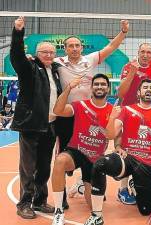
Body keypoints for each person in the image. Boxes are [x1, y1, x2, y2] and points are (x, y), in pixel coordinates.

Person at [84, 79, 151, 225]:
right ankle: (96, 215)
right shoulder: (126, 110)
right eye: (145, 88)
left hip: (148, 163)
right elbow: (111, 135)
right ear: (139, 93)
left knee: (145, 210)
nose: (148, 90)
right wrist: (112, 116)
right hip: (128, 157)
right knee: (100, 164)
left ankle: (134, 183)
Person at [54, 19, 129, 208]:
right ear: (65, 49)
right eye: (70, 46)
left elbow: (111, 47)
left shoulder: (90, 59)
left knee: (92, 149)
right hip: (67, 114)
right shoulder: (57, 61)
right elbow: (42, 60)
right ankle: (60, 200)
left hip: (87, 115)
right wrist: (32, 58)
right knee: (61, 159)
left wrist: (123, 32)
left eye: (77, 45)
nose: (74, 48)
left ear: (81, 47)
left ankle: (89, 180)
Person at [10, 16, 62, 219]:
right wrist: (18, 31)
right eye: (44, 52)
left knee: (44, 168)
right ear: (36, 54)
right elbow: (16, 56)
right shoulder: (29, 68)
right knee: (28, 168)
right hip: (31, 126)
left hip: (49, 125)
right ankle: (24, 203)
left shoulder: (55, 70)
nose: (49, 55)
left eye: (51, 52)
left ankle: (39, 201)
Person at [51, 73, 113, 225]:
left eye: (103, 84)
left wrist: (118, 148)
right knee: (60, 161)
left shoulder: (113, 110)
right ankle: (58, 211)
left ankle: (81, 185)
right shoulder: (80, 105)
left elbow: (114, 136)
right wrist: (68, 89)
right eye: (96, 84)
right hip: (76, 151)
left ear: (108, 89)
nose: (99, 87)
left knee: (94, 206)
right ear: (91, 88)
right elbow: (57, 110)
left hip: (96, 158)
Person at [116, 42, 151, 205]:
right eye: (142, 52)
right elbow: (120, 93)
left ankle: (137, 179)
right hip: (129, 113)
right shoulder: (129, 66)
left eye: (148, 52)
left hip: (146, 113)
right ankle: (122, 190)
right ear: (138, 52)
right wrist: (132, 74)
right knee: (126, 148)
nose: (145, 55)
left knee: (143, 146)